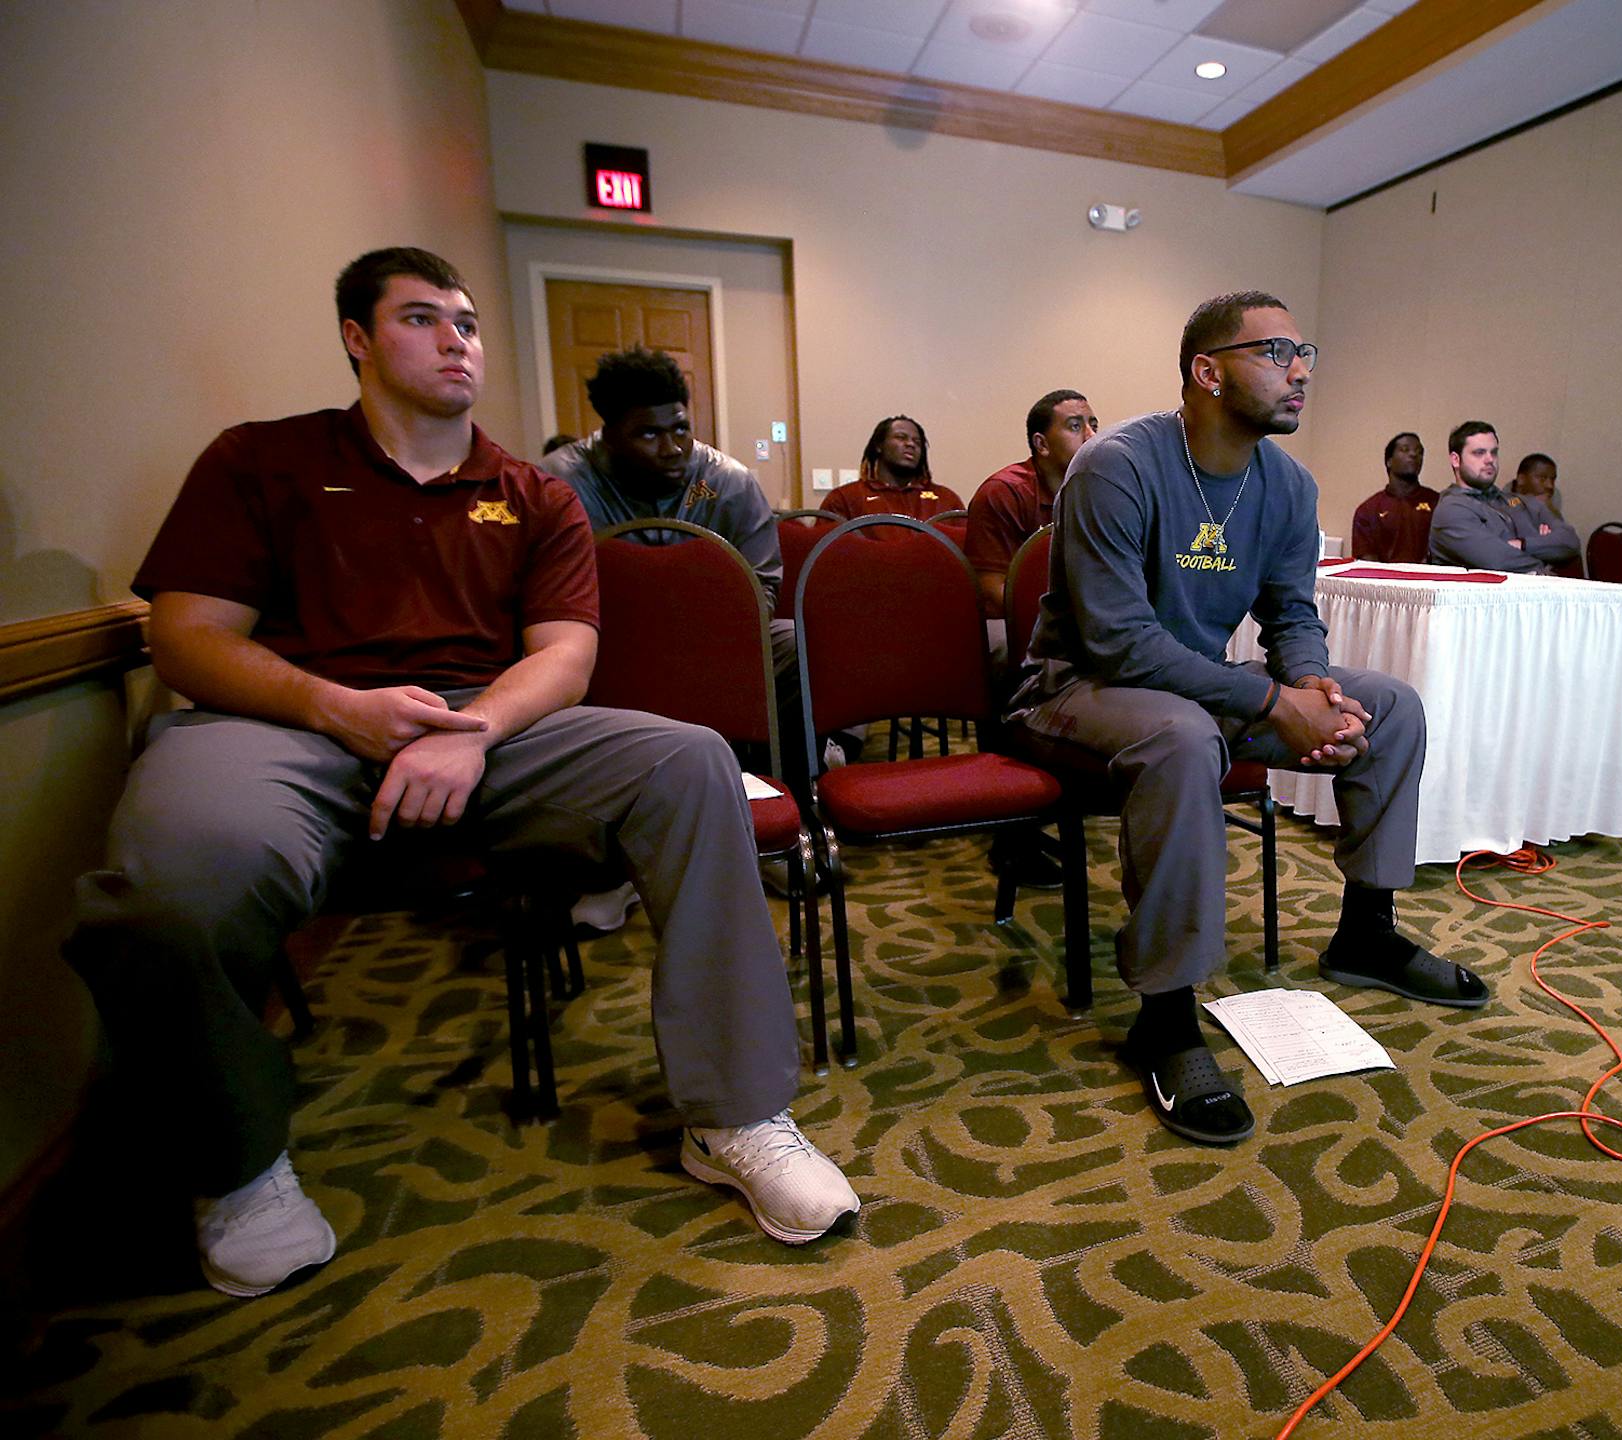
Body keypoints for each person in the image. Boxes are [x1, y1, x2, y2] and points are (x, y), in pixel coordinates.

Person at [63, 249, 859, 1300]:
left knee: (690, 760)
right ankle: (239, 1165)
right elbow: (188, 638)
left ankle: (734, 1112)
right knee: (166, 882)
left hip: (488, 727)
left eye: (470, 325)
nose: (456, 341)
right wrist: (337, 709)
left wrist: (472, 728)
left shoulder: (531, 492)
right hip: (288, 727)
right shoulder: (260, 461)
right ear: (357, 338)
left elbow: (565, 654)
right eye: (423, 319)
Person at [1010, 291, 1491, 1148]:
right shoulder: (1116, 466)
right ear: (1207, 370)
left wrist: (1314, 689)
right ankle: (1164, 1016)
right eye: (1275, 352)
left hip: (1191, 689)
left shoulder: (1287, 484)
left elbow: (1290, 614)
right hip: (1076, 690)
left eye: (1305, 351)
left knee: (1391, 704)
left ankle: (1366, 932)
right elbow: (1119, 642)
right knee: (1182, 736)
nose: (1300, 369)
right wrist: (1275, 704)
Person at [540, 346, 806, 795]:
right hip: (603, 647)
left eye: (680, 428)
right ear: (609, 435)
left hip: (716, 640)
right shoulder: (558, 485)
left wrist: (699, 646)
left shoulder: (729, 482)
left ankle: (791, 790)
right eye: (647, 434)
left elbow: (760, 587)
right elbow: (544, 599)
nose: (672, 449)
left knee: (797, 644)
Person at [963, 388, 1099, 648]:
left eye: (1094, 425)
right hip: (1007, 621)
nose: (1091, 436)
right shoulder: (1003, 492)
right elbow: (991, 590)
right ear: (1042, 444)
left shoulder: (1100, 490)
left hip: (1081, 620)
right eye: (1075, 426)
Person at [1426, 421, 1580, 572]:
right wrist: (1547, 552)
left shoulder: (1523, 502)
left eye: (1493, 452)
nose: (1489, 459)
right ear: (1456, 460)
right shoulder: (1451, 510)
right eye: (1479, 453)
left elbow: (1570, 542)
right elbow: (1499, 561)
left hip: (1536, 593)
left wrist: (1523, 544)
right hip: (1487, 595)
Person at [820, 415, 961, 521]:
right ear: (879, 446)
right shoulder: (844, 499)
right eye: (901, 437)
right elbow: (826, 555)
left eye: (917, 442)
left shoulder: (947, 500)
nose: (911, 444)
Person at [1348, 432, 1441, 562]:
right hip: (1383, 581)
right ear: (1389, 461)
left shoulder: (1438, 503)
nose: (1414, 454)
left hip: (1428, 580)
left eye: (1419, 452)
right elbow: (1367, 564)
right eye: (1405, 450)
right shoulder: (1368, 510)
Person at [1508, 452, 1563, 518]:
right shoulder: (1506, 496)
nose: (1550, 485)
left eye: (1553, 479)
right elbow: (1509, 505)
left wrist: (1550, 509)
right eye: (1542, 478)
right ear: (1521, 479)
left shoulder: (1554, 496)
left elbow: (1558, 524)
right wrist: (1532, 502)